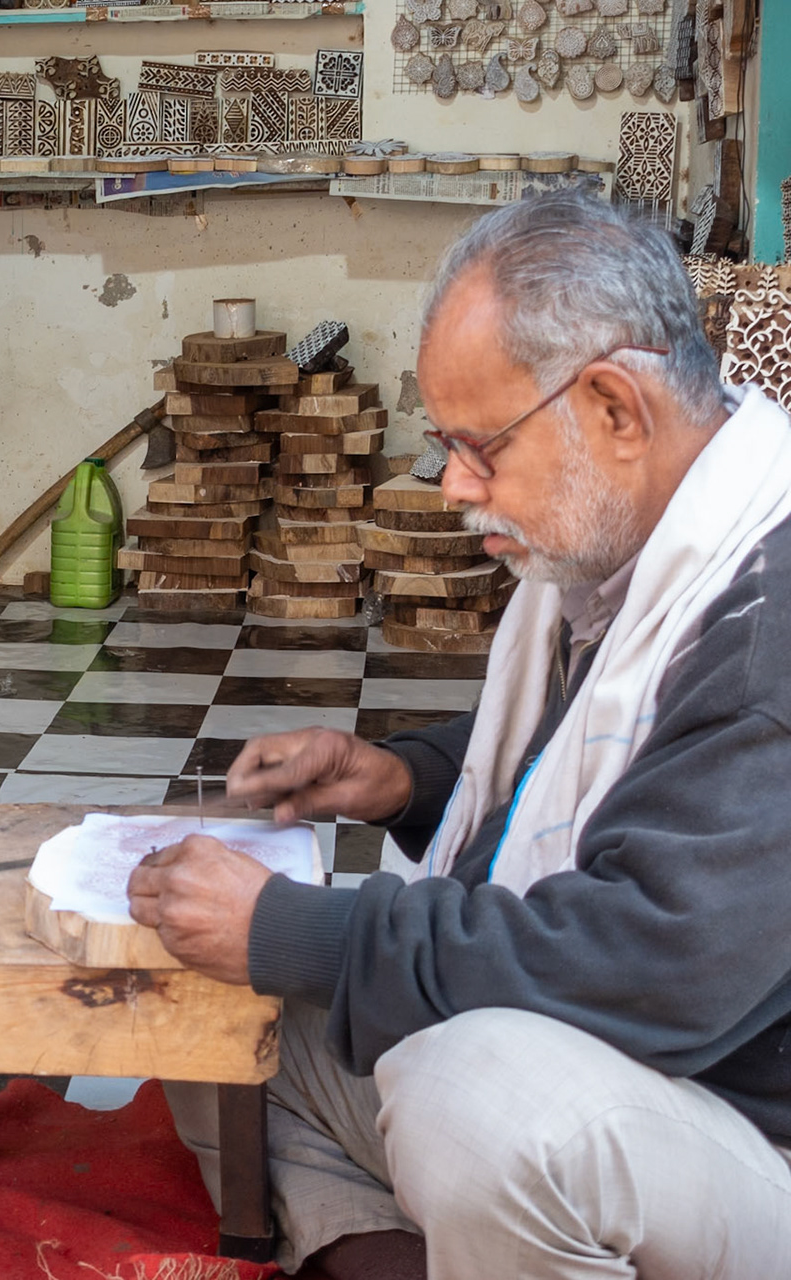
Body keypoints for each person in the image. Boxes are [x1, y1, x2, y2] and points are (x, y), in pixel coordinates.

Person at [128, 189, 791, 1280]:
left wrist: (306, 934)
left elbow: (642, 964)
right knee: (213, 1013)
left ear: (617, 409)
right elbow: (590, 765)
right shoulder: (642, 538)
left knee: (479, 1101)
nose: (455, 488)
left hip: (751, 1129)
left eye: (480, 447)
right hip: (657, 1077)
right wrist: (402, 777)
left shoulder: (767, 625)